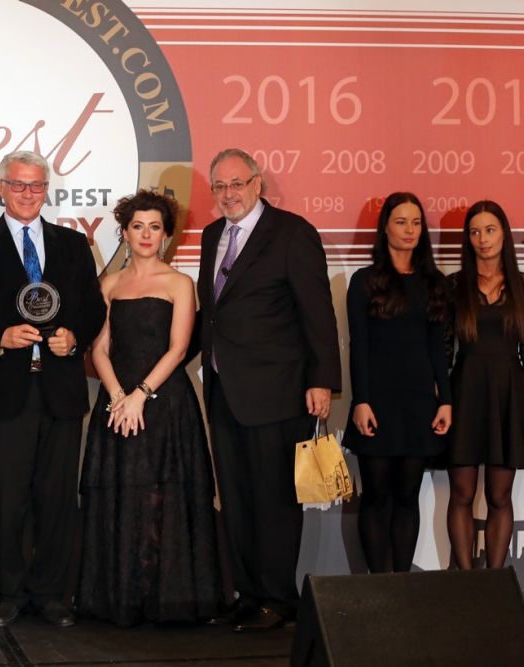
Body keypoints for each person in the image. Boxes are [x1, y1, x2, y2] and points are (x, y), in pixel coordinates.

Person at [0, 150, 106, 628]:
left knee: (57, 497)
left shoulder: (73, 244)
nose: (27, 193)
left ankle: (53, 594)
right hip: (2, 390)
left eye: (36, 185)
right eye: (18, 184)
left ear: (46, 190)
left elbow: (93, 308)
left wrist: (73, 337)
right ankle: (10, 594)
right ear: (1, 188)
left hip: (60, 390)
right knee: (7, 498)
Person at [198, 148, 340, 632]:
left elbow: (317, 312)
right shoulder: (213, 235)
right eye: (220, 186)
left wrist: (322, 380)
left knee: (275, 499)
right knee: (236, 498)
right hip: (224, 388)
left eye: (237, 183)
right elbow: (213, 313)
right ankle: (248, 593)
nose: (228, 194)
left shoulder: (292, 233)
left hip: (279, 391)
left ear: (257, 183)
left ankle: (278, 599)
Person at [77, 190, 221, 626]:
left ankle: (166, 601)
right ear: (124, 232)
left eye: (154, 227)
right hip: (117, 405)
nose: (145, 234)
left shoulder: (179, 284)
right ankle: (121, 598)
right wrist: (118, 397)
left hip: (165, 405)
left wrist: (140, 394)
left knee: (162, 499)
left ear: (165, 235)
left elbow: (178, 349)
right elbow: (99, 349)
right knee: (121, 497)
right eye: (137, 226)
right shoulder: (109, 285)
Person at [344, 192, 451, 574]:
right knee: (375, 495)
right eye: (401, 221)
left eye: (416, 222)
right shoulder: (364, 281)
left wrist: (445, 400)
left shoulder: (434, 283)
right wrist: (361, 401)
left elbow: (438, 348)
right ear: (385, 227)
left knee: (407, 497)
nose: (410, 230)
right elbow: (358, 346)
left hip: (420, 404)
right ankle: (378, 585)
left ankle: (403, 585)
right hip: (377, 402)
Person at [446, 200, 524, 569]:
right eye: (475, 232)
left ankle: (494, 582)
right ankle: (465, 582)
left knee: (499, 496)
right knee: (461, 493)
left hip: (509, 394)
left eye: (490, 230)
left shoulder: (521, 286)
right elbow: (443, 348)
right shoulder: (454, 286)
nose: (483, 239)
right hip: (465, 391)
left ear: (504, 234)